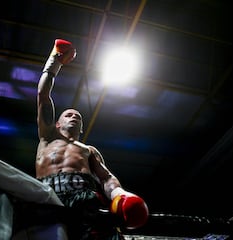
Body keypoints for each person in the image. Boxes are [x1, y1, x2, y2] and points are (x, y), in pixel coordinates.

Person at [36, 39, 149, 240]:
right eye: (68, 114)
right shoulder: (47, 136)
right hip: (47, 195)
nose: (74, 116)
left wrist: (120, 196)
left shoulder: (88, 149)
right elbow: (43, 95)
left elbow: (106, 178)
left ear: (82, 128)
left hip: (84, 199)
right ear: (57, 124)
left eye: (78, 116)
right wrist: (55, 61)